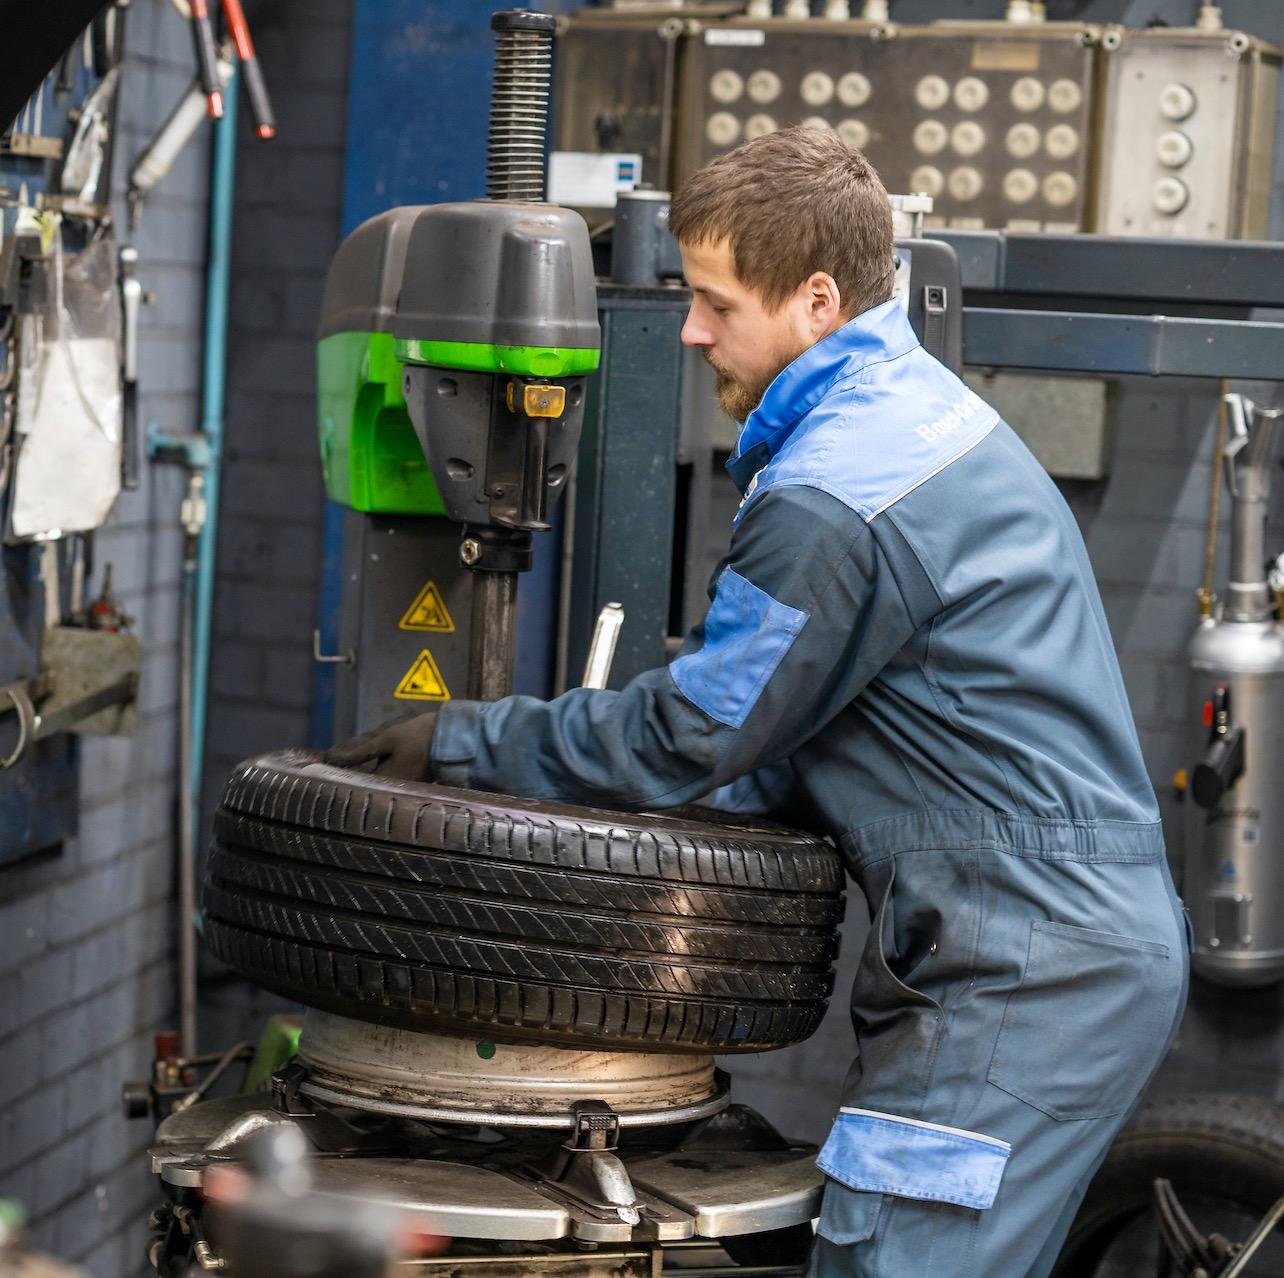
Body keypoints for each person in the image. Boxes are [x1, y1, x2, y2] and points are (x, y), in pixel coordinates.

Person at [324, 127, 1190, 1276]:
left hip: (1023, 977)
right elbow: (795, 743)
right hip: (1052, 945)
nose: (690, 330)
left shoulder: (834, 492)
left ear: (817, 301)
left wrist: (467, 743)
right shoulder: (911, 416)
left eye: (715, 303)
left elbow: (694, 734)